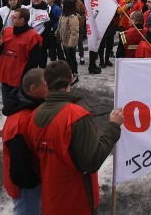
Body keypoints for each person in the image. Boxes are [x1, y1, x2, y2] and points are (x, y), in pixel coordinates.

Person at [26, 61, 123, 215]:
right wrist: (113, 127)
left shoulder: (34, 114)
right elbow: (92, 162)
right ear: (72, 78)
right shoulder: (76, 115)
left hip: (51, 199)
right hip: (78, 202)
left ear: (47, 83)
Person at [2, 68, 47, 215]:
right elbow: (19, 168)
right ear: (33, 89)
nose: (50, 88)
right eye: (46, 85)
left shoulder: (31, 104)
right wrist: (32, 183)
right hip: (26, 187)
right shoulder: (20, 123)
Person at [0, 8, 43, 103]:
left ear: (22, 20)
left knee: (18, 106)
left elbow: (33, 61)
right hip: (5, 75)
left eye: (14, 17)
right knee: (7, 104)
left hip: (19, 79)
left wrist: (25, 79)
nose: (11, 18)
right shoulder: (7, 31)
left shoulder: (32, 37)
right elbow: (1, 51)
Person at [58, 0, 81, 82]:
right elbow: (60, 27)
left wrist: (71, 44)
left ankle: (74, 74)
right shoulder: (62, 16)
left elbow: (74, 32)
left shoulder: (73, 17)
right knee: (67, 59)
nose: (61, 5)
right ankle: (69, 73)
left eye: (62, 4)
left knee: (72, 59)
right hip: (64, 41)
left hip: (70, 43)